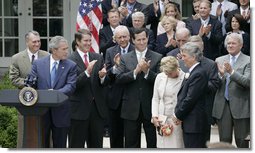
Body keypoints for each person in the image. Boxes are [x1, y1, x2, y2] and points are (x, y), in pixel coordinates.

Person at [116, 28, 162, 148]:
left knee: (153, 143)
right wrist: (135, 71)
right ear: (133, 40)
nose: (142, 42)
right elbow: (119, 79)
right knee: (131, 143)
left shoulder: (157, 57)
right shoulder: (125, 58)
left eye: (144, 39)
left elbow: (161, 80)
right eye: (139, 40)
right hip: (130, 107)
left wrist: (147, 71)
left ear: (147, 39)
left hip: (151, 107)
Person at [30, 36, 77, 148]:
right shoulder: (38, 64)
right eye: (64, 49)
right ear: (54, 50)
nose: (67, 51)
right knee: (42, 145)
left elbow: (71, 86)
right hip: (42, 112)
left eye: (67, 48)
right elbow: (32, 83)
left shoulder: (71, 65)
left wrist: (54, 94)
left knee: (60, 146)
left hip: (61, 112)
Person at [68, 29, 109, 148]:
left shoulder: (98, 57)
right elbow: (72, 85)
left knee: (96, 146)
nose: (88, 43)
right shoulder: (70, 60)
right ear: (78, 42)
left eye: (90, 40)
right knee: (76, 146)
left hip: (96, 110)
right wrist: (87, 72)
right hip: (78, 111)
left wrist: (102, 77)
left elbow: (104, 83)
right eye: (85, 40)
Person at [8, 30, 49, 148]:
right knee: (25, 132)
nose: (37, 44)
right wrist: (28, 84)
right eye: (34, 42)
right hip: (25, 101)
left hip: (44, 100)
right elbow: (14, 79)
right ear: (27, 42)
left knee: (44, 131)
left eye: (39, 41)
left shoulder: (46, 56)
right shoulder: (17, 58)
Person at [212, 33, 250, 148]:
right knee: (224, 142)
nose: (230, 45)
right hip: (223, 106)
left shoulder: (249, 60)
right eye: (228, 43)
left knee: (242, 141)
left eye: (233, 43)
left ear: (241, 45)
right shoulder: (219, 60)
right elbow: (214, 84)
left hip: (241, 106)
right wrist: (220, 75)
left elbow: (247, 82)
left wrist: (231, 72)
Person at [172, 42, 208, 148]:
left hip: (195, 123)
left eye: (184, 56)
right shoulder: (194, 72)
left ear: (193, 57)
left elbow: (190, 98)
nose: (182, 59)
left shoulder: (198, 73)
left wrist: (177, 114)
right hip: (190, 122)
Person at [105, 25, 135, 148]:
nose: (122, 40)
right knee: (115, 135)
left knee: (131, 135)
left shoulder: (136, 49)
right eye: (119, 37)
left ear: (129, 37)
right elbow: (107, 74)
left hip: (132, 96)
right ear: (115, 39)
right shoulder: (110, 51)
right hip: (115, 98)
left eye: (124, 36)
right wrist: (116, 67)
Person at [188, 35, 221, 142]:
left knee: (204, 142)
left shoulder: (211, 64)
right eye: (193, 49)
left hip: (204, 109)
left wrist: (200, 85)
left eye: (198, 49)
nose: (196, 52)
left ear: (202, 47)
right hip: (186, 108)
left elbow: (215, 84)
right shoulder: (183, 63)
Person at [151, 56, 185, 148]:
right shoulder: (160, 77)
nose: (167, 74)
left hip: (176, 119)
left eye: (170, 73)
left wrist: (179, 116)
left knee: (176, 145)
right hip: (162, 118)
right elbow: (155, 98)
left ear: (176, 68)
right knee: (162, 145)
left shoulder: (185, 77)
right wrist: (154, 116)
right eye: (165, 72)